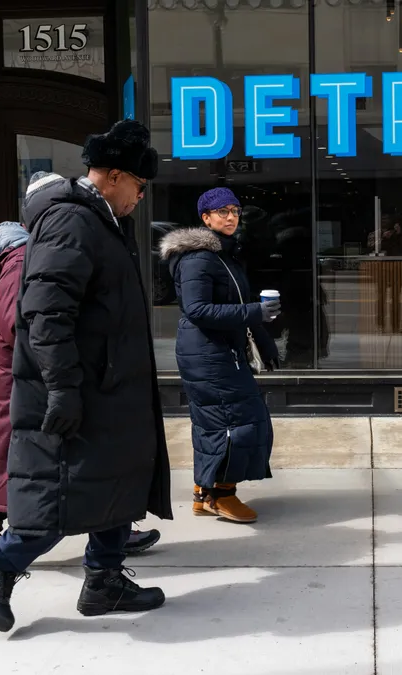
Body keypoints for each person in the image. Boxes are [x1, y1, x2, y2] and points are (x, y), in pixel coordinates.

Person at [0, 119, 172, 633]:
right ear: (116, 176)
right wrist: (61, 388)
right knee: (61, 493)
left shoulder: (101, 222)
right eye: (140, 188)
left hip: (109, 388)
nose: (140, 199)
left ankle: (103, 580)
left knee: (117, 480)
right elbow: (44, 313)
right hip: (78, 389)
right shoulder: (71, 222)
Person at [0, 218, 161, 568]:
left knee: (27, 463)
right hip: (25, 388)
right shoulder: (20, 265)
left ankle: (109, 526)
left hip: (23, 386)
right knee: (31, 466)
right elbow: (27, 329)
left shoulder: (17, 264)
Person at [159, 188, 280, 524]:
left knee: (216, 422)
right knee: (236, 423)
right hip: (207, 353)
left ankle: (203, 490)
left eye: (235, 211)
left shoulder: (225, 255)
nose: (231, 217)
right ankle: (221, 495)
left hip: (221, 350)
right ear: (206, 218)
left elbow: (237, 306)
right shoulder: (199, 257)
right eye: (222, 211)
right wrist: (257, 311)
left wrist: (264, 338)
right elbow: (198, 309)